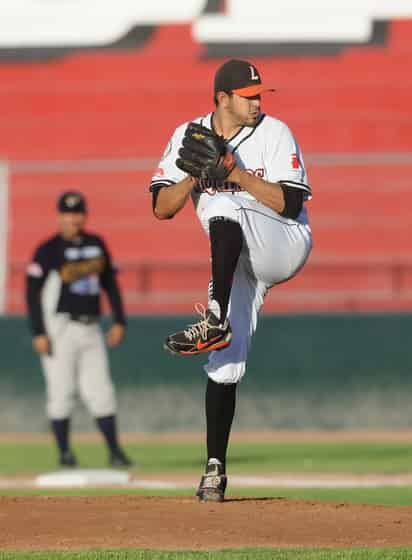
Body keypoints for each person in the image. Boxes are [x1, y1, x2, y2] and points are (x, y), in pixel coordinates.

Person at [150, 59, 313, 501]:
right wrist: (193, 175)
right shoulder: (189, 133)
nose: (257, 102)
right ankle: (214, 471)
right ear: (222, 98)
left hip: (282, 242)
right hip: (235, 260)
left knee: (225, 205)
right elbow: (162, 207)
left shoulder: (275, 133)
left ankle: (215, 316)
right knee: (224, 364)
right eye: (248, 95)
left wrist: (236, 173)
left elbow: (292, 205)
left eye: (260, 94)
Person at [26, 191, 133, 468]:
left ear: (85, 215)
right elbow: (32, 293)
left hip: (91, 326)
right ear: (59, 216)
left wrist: (119, 320)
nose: (73, 218)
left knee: (101, 391)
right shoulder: (48, 249)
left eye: (78, 213)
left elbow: (110, 283)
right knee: (61, 392)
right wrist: (38, 331)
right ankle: (64, 452)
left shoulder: (97, 244)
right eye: (68, 213)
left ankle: (114, 451)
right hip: (59, 328)